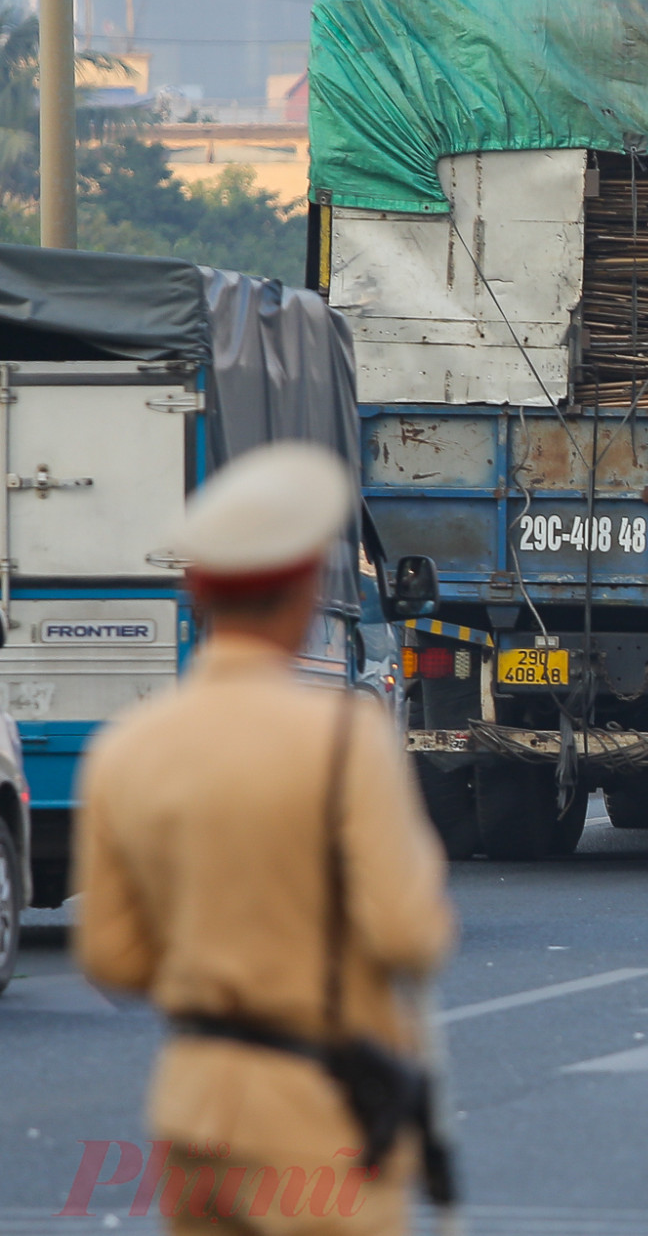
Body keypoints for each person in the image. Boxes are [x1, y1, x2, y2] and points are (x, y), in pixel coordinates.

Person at [73, 443, 455, 1234]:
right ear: (305, 591)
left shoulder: (126, 749)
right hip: (317, 1113)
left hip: (193, 1105)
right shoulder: (346, 742)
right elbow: (407, 932)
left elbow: (112, 959)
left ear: (198, 589)